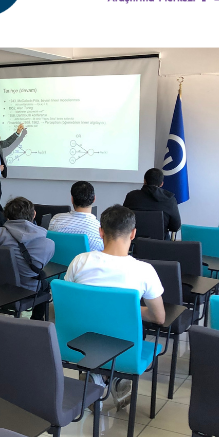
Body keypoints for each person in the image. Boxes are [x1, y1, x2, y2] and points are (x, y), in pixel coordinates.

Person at [65, 204, 166, 409]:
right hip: (125, 348)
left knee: (96, 327)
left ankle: (96, 376)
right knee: (129, 333)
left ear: (101, 231)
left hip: (78, 343)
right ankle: (119, 375)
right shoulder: (144, 271)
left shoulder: (79, 261)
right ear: (133, 234)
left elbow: (66, 304)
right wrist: (126, 310)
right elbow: (159, 317)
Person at [123, 168, 181, 239]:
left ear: (144, 181)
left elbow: (124, 220)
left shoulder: (131, 196)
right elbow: (175, 227)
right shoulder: (170, 200)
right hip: (161, 243)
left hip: (134, 242)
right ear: (161, 184)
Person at [48, 181, 104, 251]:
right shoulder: (100, 230)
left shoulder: (56, 220)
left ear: (72, 199)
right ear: (94, 199)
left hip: (58, 258)